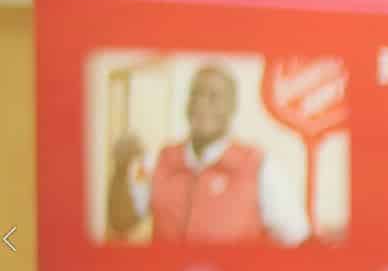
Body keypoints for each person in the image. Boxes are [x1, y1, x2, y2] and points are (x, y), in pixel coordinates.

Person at [106, 62, 311, 246]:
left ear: (231, 107)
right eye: (195, 94)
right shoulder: (160, 160)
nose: (201, 103)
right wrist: (121, 169)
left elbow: (296, 239)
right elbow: (121, 222)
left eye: (213, 97)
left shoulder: (261, 166)